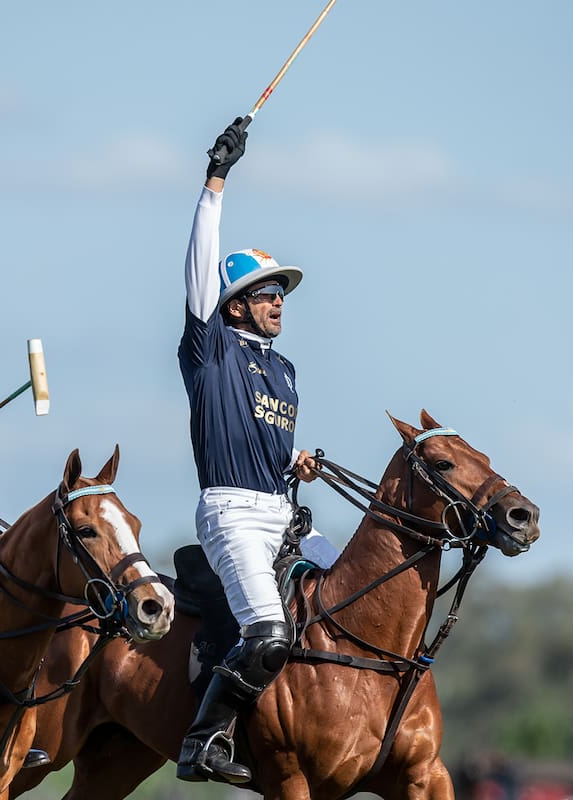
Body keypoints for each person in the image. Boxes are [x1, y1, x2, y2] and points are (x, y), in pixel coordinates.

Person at [175, 119, 341, 784]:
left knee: (351, 586)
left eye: (280, 294)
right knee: (268, 635)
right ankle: (204, 740)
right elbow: (196, 268)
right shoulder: (209, 350)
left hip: (281, 508)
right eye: (267, 294)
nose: (279, 303)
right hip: (231, 515)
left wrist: (295, 464)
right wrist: (216, 179)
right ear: (235, 306)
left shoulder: (287, 370)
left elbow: (267, 445)